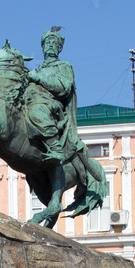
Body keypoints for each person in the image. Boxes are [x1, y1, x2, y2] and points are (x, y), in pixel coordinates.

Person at [25, 27, 85, 165]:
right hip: (32, 101)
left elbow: (63, 87)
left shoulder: (64, 66)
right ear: (42, 47)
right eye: (47, 43)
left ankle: (56, 148)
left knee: (36, 112)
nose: (50, 45)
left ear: (59, 48)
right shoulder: (38, 69)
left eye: (54, 43)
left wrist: (39, 79)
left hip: (52, 105)